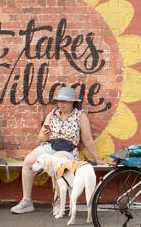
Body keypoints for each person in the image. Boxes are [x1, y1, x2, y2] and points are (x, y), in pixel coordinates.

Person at [11, 86, 105, 214]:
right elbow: (41, 136)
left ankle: (58, 201)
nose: (60, 104)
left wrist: (97, 159)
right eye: (59, 101)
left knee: (59, 163)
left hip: (68, 149)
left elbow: (87, 139)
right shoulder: (52, 114)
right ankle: (27, 201)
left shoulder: (80, 116)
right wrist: (44, 135)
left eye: (64, 101)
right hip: (50, 146)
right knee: (28, 161)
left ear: (72, 102)